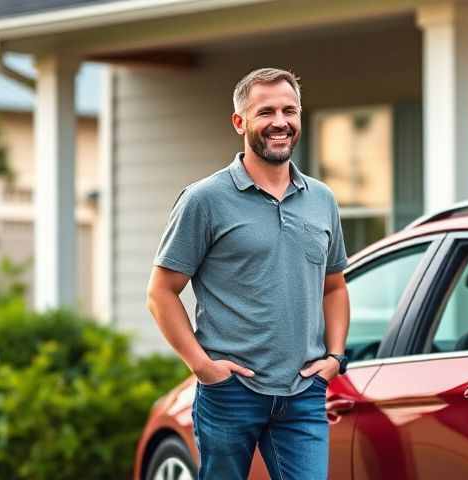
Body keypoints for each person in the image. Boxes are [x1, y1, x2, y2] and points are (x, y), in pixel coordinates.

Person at [146, 67, 350, 480]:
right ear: (240, 122)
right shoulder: (204, 200)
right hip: (230, 393)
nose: (280, 122)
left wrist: (335, 357)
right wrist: (202, 366)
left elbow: (334, 286)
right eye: (266, 112)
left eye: (289, 111)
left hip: (303, 393)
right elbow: (161, 292)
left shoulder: (322, 199)